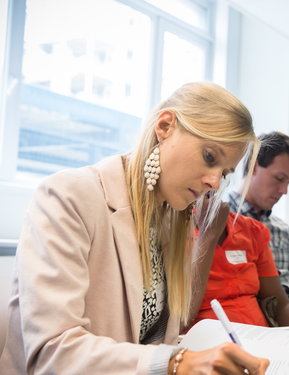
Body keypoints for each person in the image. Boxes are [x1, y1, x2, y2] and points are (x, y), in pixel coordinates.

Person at [0, 82, 270, 375]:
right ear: (165, 126)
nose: (215, 183)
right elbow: (52, 351)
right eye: (209, 157)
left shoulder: (171, 220)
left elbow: (149, 339)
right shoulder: (69, 195)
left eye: (225, 173)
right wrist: (176, 363)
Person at [228, 131, 289, 308]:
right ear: (254, 166)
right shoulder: (218, 221)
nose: (284, 190)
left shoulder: (284, 230)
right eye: (279, 179)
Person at [189, 206, 289, 329]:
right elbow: (179, 318)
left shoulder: (251, 230)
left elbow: (282, 304)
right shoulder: (175, 231)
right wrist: (209, 236)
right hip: (207, 339)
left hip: (259, 337)